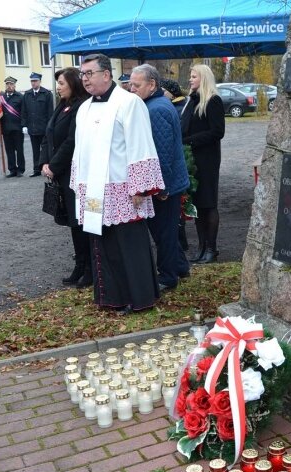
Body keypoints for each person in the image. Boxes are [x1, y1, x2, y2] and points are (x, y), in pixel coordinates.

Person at [71, 53, 165, 314]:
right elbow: (81, 150)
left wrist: (140, 188)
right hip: (94, 189)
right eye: (82, 75)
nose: (85, 80)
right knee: (103, 243)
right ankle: (112, 296)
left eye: (90, 73)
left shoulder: (129, 103)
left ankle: (139, 297)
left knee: (128, 245)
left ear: (106, 74)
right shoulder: (85, 107)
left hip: (123, 189)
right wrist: (79, 184)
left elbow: (140, 144)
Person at [129, 64, 190, 291]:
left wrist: (160, 189)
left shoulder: (156, 110)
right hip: (167, 182)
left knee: (163, 232)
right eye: (130, 85)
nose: (132, 89)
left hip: (166, 184)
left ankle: (167, 277)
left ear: (152, 84)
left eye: (136, 85)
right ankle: (180, 267)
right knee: (166, 230)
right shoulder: (153, 104)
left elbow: (162, 154)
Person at [38, 68, 93, 288]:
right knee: (72, 221)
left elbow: (72, 141)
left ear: (72, 83)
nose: (58, 87)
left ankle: (89, 268)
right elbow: (48, 134)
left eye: (61, 83)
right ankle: (79, 265)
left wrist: (54, 164)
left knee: (80, 222)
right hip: (61, 173)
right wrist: (44, 162)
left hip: (74, 172)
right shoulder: (62, 105)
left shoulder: (81, 106)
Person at [181, 64, 225, 264]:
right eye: (190, 76)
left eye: (194, 76)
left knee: (209, 204)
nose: (190, 79)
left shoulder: (213, 101)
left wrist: (190, 140)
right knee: (197, 205)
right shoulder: (192, 100)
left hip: (207, 159)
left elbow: (217, 132)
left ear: (204, 78)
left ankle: (211, 248)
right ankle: (200, 247)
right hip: (192, 160)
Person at [161, 78, 190, 251]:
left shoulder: (172, 107)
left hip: (174, 172)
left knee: (172, 215)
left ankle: (180, 246)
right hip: (178, 167)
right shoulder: (171, 106)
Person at [21, 72, 53, 177]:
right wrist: (24, 125)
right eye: (32, 81)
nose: (33, 83)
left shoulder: (47, 94)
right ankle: (36, 170)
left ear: (40, 81)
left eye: (35, 81)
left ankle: (48, 168)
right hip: (32, 127)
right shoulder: (27, 94)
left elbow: (50, 113)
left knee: (45, 149)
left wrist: (49, 126)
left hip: (44, 127)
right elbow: (24, 111)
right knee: (35, 150)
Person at [0, 76, 26, 177]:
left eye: (11, 84)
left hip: (17, 128)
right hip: (6, 128)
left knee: (19, 150)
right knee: (9, 150)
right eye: (7, 84)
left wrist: (23, 125)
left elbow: (24, 112)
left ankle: (20, 170)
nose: (9, 86)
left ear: (15, 85)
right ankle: (12, 170)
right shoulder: (2, 98)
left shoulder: (20, 97)